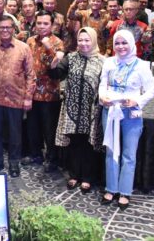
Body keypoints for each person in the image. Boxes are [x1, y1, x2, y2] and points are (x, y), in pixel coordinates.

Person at [99, 30, 154, 210]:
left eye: (124, 43)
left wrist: (137, 101)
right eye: (117, 43)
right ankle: (111, 188)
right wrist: (102, 97)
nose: (121, 47)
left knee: (129, 154)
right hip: (110, 111)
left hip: (131, 113)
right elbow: (103, 84)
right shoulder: (109, 62)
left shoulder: (142, 66)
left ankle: (124, 191)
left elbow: (151, 91)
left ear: (131, 44)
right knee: (111, 151)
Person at [0, 15, 36, 177]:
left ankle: (14, 163)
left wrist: (28, 97)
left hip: (15, 98)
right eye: (1, 27)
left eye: (8, 27)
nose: (5, 30)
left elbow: (31, 74)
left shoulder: (23, 48)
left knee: (15, 133)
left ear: (13, 29)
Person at [48, 27, 105, 193]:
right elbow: (57, 74)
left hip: (91, 110)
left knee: (89, 143)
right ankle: (74, 175)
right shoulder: (71, 57)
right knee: (74, 142)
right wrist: (54, 63)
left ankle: (87, 177)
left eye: (87, 40)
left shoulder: (103, 61)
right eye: (80, 40)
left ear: (93, 41)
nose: (83, 43)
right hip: (72, 109)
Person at [24, 11, 65, 170]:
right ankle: (36, 154)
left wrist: (49, 48)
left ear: (52, 25)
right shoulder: (30, 41)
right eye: (39, 23)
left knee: (49, 128)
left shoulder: (57, 42)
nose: (42, 26)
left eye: (45, 23)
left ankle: (52, 158)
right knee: (32, 126)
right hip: (32, 91)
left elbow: (56, 66)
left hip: (49, 93)